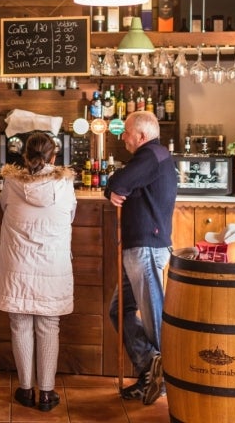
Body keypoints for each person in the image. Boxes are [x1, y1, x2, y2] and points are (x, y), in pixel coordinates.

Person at [0, 132, 77, 412]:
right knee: (48, 325)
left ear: (24, 155)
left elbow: (5, 208)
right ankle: (46, 394)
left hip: (17, 264)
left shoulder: (11, 182)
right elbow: (71, 213)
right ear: (54, 156)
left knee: (20, 324)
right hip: (52, 265)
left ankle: (26, 390)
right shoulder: (65, 183)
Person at [104, 110, 177, 405]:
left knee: (153, 318)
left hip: (146, 246)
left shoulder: (150, 155)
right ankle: (150, 368)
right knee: (118, 311)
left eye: (128, 132)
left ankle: (172, 380)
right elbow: (118, 183)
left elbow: (119, 181)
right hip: (138, 246)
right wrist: (113, 186)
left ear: (142, 135)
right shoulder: (154, 155)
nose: (123, 137)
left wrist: (113, 186)